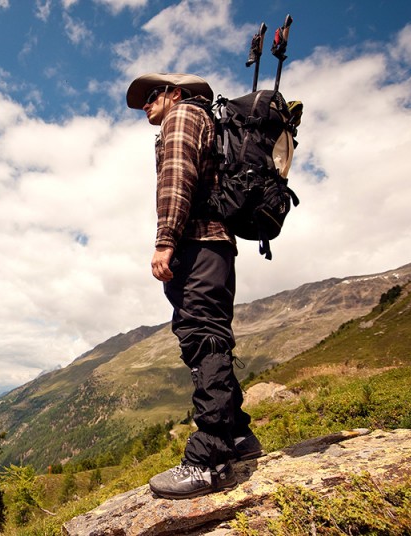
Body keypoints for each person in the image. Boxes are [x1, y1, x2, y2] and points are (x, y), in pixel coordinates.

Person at [125, 73, 263, 500]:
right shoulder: (202, 120)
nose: (146, 105)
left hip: (199, 243)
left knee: (204, 341)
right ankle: (238, 437)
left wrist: (165, 240)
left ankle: (209, 461)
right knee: (207, 339)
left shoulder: (182, 116)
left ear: (175, 93)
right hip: (213, 247)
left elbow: (176, 178)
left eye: (152, 95)